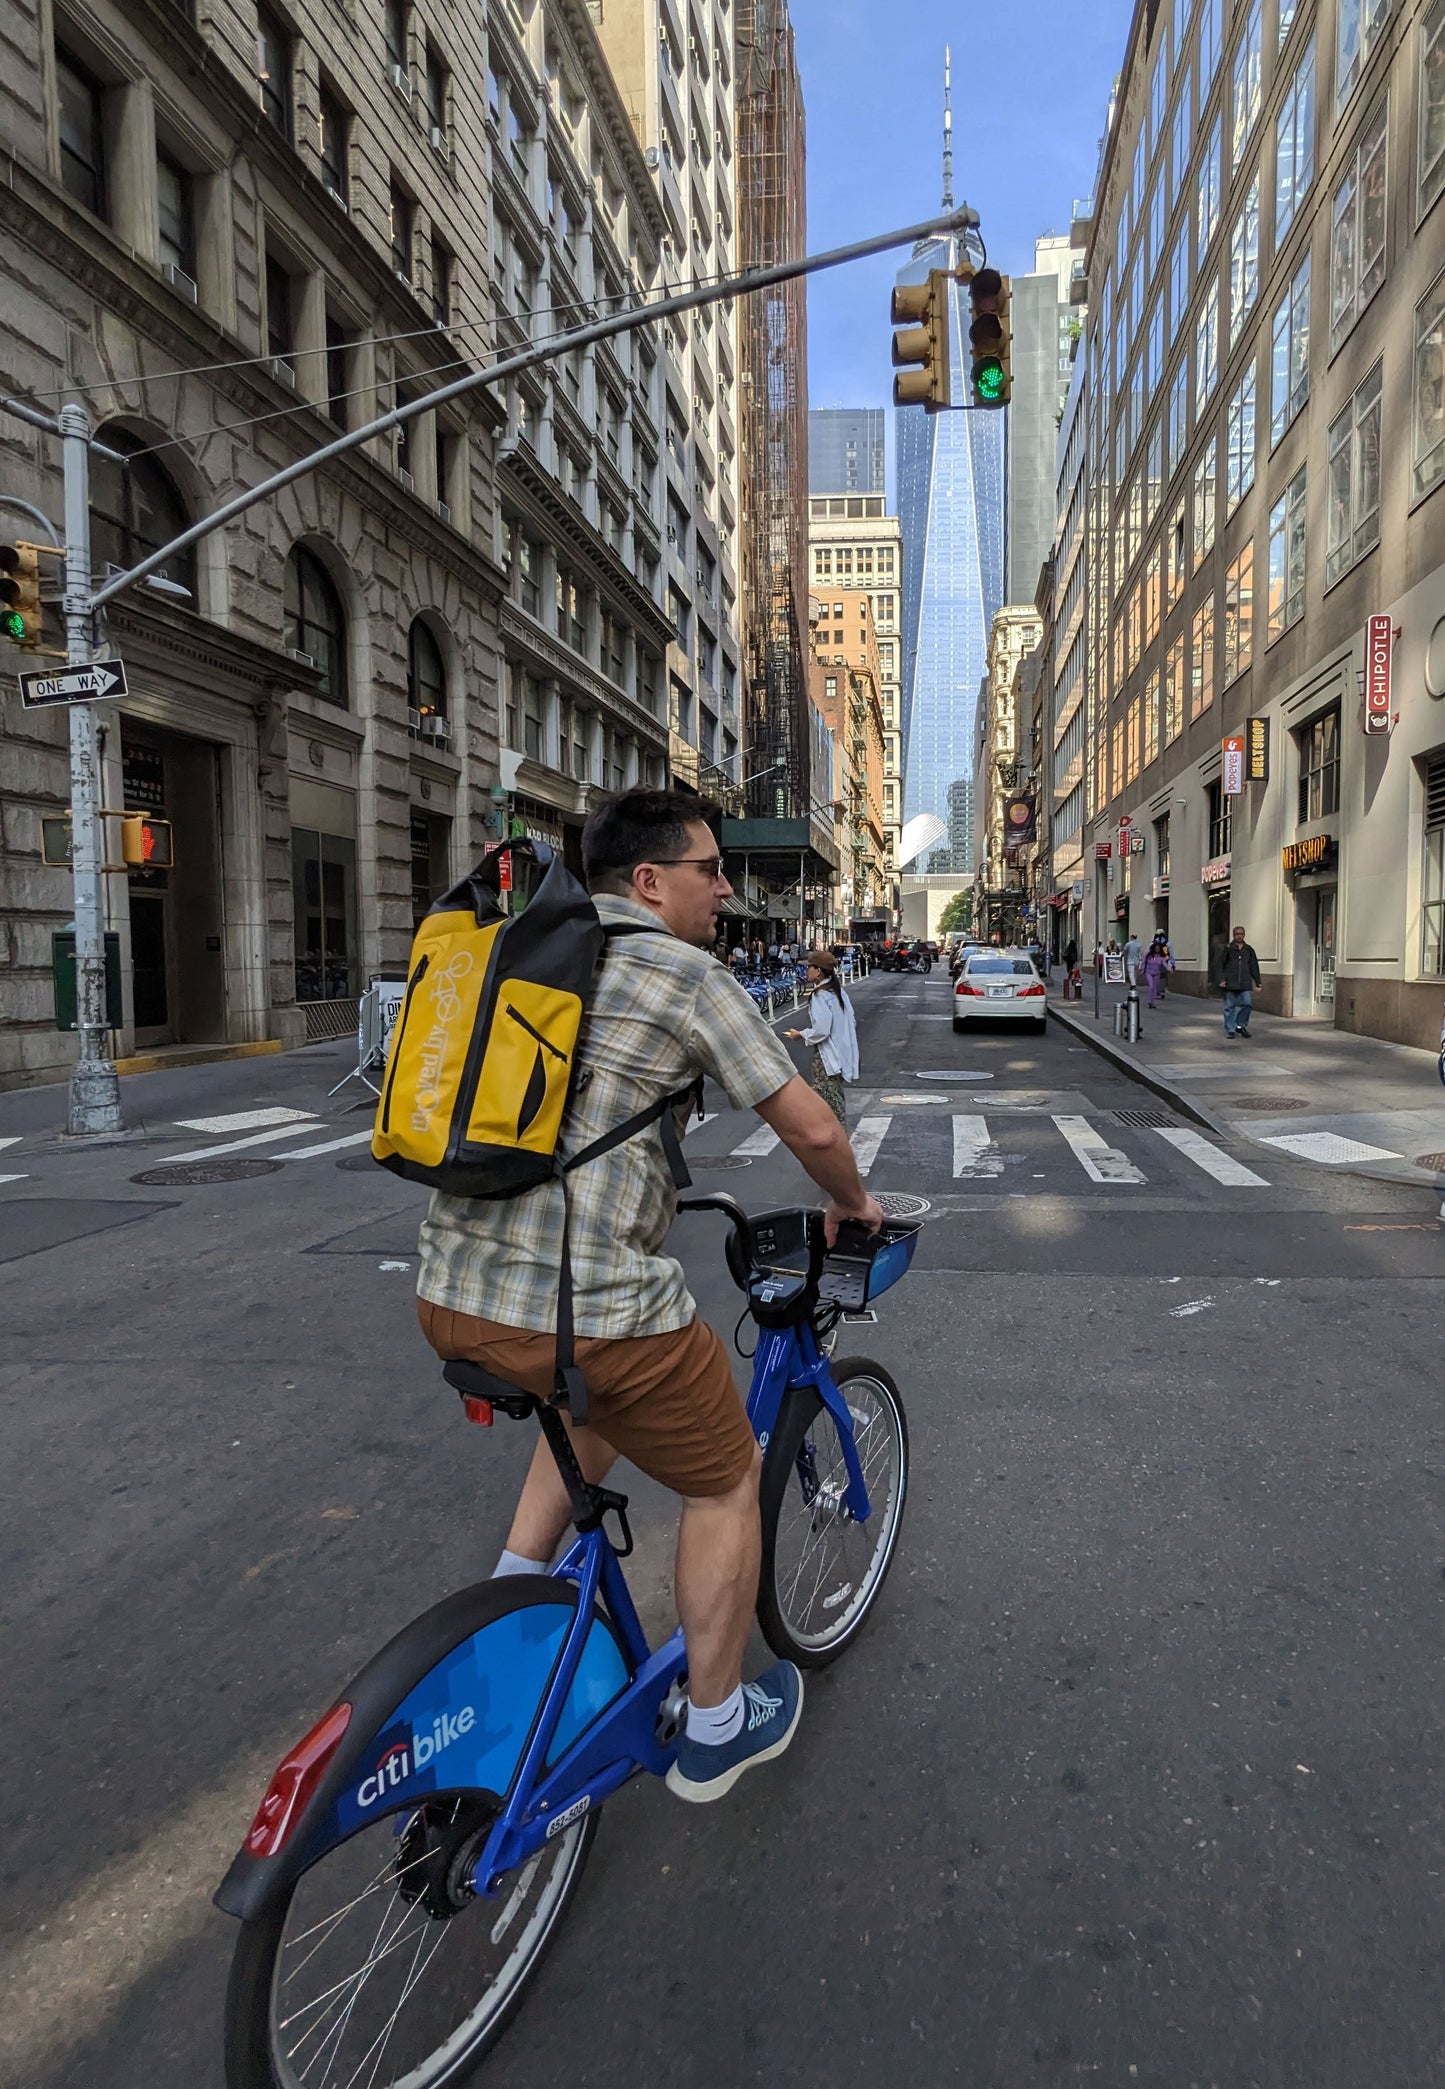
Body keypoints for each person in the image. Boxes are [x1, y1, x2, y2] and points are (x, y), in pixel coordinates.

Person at [415, 790, 883, 1804]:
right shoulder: (683, 973)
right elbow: (807, 1126)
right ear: (647, 882)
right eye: (708, 868)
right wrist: (851, 1203)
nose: (724, 887)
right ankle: (714, 1727)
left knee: (597, 1400)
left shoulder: (522, 954)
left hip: (449, 1291)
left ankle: (508, 1608)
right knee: (723, 1480)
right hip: (579, 1306)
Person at [783, 950, 860, 1124]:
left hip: (828, 1059)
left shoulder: (820, 995)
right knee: (831, 1101)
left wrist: (800, 1034)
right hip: (842, 1056)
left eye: (809, 967)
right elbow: (851, 1021)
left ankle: (837, 1144)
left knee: (830, 1106)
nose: (806, 971)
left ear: (818, 971)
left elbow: (821, 1030)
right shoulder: (838, 993)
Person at [1213, 924, 1261, 1037]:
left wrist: (1258, 982)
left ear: (1244, 935)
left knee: (1247, 1004)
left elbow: (1254, 966)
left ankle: (1240, 1025)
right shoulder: (1228, 949)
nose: (1239, 936)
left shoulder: (1249, 950)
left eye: (1241, 934)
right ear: (1234, 935)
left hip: (1245, 983)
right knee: (1229, 1007)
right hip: (1230, 983)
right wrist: (1221, 979)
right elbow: (1220, 965)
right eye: (1237, 934)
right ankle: (1230, 1030)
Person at [1141, 934, 1170, 1008]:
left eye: (1158, 948)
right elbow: (1144, 962)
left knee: (1154, 988)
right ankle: (1149, 1001)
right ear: (1153, 948)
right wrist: (1142, 969)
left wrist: (1169, 969)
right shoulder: (1148, 955)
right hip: (1149, 972)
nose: (1157, 949)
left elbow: (1164, 964)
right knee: (1151, 986)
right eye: (1156, 948)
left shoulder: (1160, 957)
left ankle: (1152, 1002)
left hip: (1156, 973)